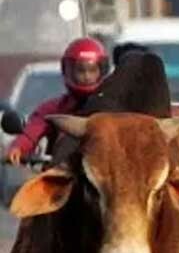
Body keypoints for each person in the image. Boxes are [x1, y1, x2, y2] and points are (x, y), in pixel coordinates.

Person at [6, 37, 110, 165]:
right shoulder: (53, 108)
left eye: (92, 70)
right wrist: (18, 147)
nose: (86, 76)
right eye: (81, 70)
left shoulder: (113, 109)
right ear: (68, 70)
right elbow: (32, 131)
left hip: (104, 179)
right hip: (61, 175)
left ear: (102, 71)